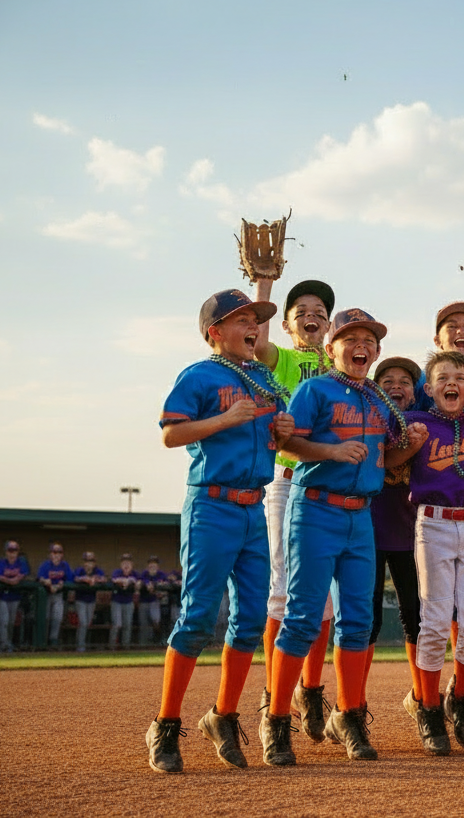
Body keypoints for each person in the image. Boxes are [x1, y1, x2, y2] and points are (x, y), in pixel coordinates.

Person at [263, 308, 421, 766]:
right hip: (315, 509)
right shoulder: (315, 389)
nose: (362, 345)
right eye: (351, 337)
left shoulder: (377, 399)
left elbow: (380, 462)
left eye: (370, 340)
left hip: (361, 518)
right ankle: (276, 719)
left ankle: (350, 715)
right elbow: (286, 443)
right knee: (303, 618)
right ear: (331, 347)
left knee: (357, 622)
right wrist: (330, 450)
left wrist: (407, 447)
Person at [147, 288, 294, 774]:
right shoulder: (200, 375)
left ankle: (223, 716)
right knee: (197, 617)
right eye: (242, 320)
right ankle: (166, 725)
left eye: (256, 319)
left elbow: (274, 435)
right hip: (211, 505)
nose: (253, 326)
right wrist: (224, 418)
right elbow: (170, 434)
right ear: (215, 332)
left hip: (254, 507)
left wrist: (283, 430)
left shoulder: (265, 380)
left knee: (251, 619)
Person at [254, 276, 337, 740]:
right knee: (283, 591)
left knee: (322, 598)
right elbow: (256, 344)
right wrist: (265, 288)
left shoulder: (341, 363)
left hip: (330, 483)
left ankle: (311, 689)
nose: (312, 314)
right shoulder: (283, 359)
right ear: (287, 325)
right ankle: (273, 693)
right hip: (287, 482)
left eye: (320, 310)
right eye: (302, 309)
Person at [399, 350, 464, 756]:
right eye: (442, 377)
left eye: (460, 377)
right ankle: (430, 708)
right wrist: (407, 446)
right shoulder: (416, 423)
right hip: (433, 522)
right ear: (429, 388)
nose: (451, 382)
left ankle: (463, 697)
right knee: (435, 623)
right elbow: (389, 462)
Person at [368, 356, 425, 725]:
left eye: (405, 380)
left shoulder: (426, 422)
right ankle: (351, 704)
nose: (396, 385)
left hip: (410, 534)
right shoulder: (367, 420)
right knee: (364, 620)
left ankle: (422, 700)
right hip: (366, 534)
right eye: (386, 379)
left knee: (416, 619)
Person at [0, 540, 29, 654]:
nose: (12, 553)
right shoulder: (1, 562)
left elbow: (23, 575)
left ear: (18, 552)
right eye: (10, 550)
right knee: (4, 621)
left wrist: (11, 580)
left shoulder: (21, 562)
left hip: (15, 596)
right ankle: (2, 645)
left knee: (11, 622)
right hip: (2, 595)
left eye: (15, 550)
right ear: (6, 551)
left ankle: (8, 644)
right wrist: (10, 580)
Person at [37, 543, 71, 647]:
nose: (57, 555)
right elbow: (39, 577)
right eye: (54, 552)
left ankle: (53, 640)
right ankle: (43, 641)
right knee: (46, 618)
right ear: (50, 554)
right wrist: (45, 581)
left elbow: (71, 579)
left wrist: (61, 584)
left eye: (59, 552)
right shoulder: (45, 565)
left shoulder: (65, 565)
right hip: (45, 595)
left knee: (57, 618)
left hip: (58, 595)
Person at [71, 551, 104, 653]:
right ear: (84, 562)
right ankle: (80, 647)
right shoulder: (79, 570)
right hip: (80, 600)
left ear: (94, 563)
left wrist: (95, 579)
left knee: (87, 623)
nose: (89, 563)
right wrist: (85, 579)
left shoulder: (97, 570)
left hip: (91, 600)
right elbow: (75, 578)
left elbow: (104, 579)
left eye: (91, 561)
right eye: (87, 561)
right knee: (83, 622)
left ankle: (83, 645)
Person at [109, 554, 139, 650]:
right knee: (117, 624)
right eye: (124, 563)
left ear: (132, 564)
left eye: (128, 563)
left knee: (127, 625)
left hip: (128, 602)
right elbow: (114, 579)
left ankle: (126, 647)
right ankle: (112, 647)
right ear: (121, 564)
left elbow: (138, 582)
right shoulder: (117, 572)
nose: (126, 565)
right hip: (116, 601)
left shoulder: (134, 573)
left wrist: (129, 581)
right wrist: (125, 581)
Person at [139, 556, 168, 645]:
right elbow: (141, 581)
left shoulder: (161, 574)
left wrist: (157, 587)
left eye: (154, 564)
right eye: (151, 564)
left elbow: (166, 584)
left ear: (157, 566)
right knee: (144, 624)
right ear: (148, 566)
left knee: (156, 621)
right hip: (143, 601)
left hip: (155, 601)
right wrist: (148, 584)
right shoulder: (144, 574)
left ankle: (155, 641)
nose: (152, 566)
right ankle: (143, 644)